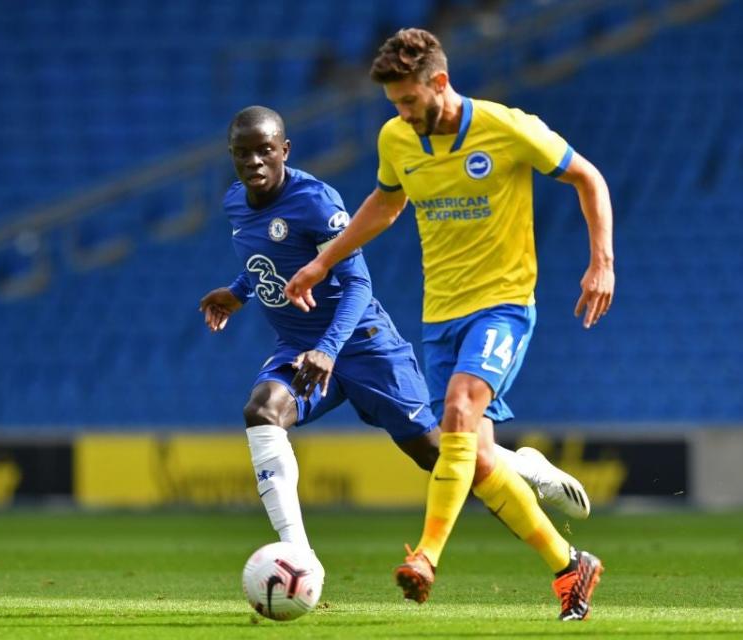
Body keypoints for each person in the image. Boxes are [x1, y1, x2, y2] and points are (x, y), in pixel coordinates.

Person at [284, 29, 614, 621]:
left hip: (504, 304)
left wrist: (601, 263)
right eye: (394, 105)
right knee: (477, 460)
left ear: (439, 82)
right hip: (440, 315)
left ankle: (427, 555)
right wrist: (321, 261)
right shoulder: (397, 138)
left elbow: (588, 177)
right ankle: (571, 567)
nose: (402, 115)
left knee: (461, 408)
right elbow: (386, 203)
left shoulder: (506, 127)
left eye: (409, 101)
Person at [200, 106, 592, 583]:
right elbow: (269, 256)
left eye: (265, 151)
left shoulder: (316, 201)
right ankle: (298, 554)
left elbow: (358, 283)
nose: (254, 162)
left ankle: (521, 466)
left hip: (364, 345)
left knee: (439, 456)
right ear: (232, 156)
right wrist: (238, 292)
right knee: (262, 411)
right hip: (300, 349)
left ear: (284, 150)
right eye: (243, 154)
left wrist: (329, 347)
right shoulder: (235, 202)